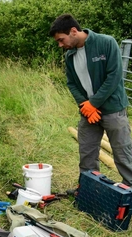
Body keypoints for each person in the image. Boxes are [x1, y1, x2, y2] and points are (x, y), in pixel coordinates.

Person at [49, 14, 132, 186]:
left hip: (113, 110)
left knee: (122, 153)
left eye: (61, 40)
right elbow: (71, 84)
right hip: (88, 113)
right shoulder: (69, 55)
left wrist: (93, 103)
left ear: (73, 31)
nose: (60, 44)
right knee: (87, 153)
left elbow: (114, 76)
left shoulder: (106, 42)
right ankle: (89, 188)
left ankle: (129, 190)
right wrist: (85, 106)